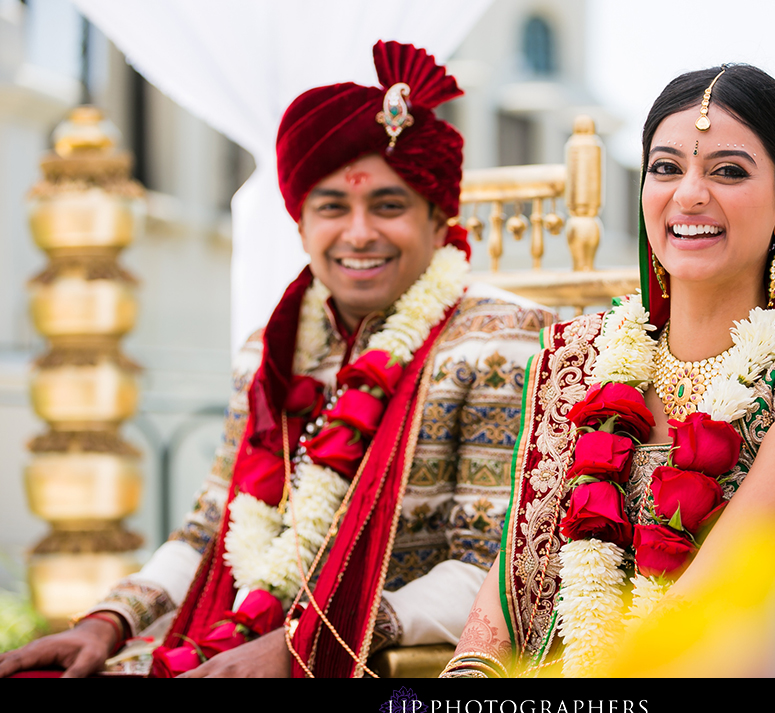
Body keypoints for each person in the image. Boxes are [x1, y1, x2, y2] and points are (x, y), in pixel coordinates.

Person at [1, 41, 554, 679]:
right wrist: (109, 620)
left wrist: (307, 643)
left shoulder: (505, 340)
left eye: (389, 205)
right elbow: (211, 531)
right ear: (299, 224)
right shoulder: (271, 350)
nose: (358, 232)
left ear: (439, 221)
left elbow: (495, 565)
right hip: (240, 639)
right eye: (331, 207)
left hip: (377, 662)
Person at [442, 64, 775, 679]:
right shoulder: (578, 360)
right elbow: (503, 601)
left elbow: (704, 605)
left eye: (729, 171)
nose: (689, 194)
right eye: (666, 168)